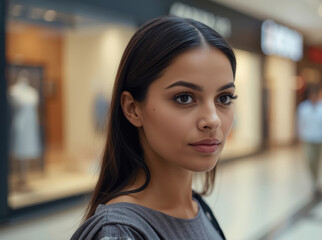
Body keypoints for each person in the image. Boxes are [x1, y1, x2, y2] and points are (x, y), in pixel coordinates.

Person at [71, 16, 237, 240]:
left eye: (224, 98)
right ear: (133, 108)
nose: (213, 120)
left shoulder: (198, 208)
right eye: (184, 98)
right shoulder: (120, 232)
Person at [297, 84, 322, 198]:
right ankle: (314, 181)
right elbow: (300, 123)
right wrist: (299, 136)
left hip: (320, 139)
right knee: (310, 160)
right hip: (308, 138)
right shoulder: (303, 108)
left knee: (318, 161)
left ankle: (316, 183)